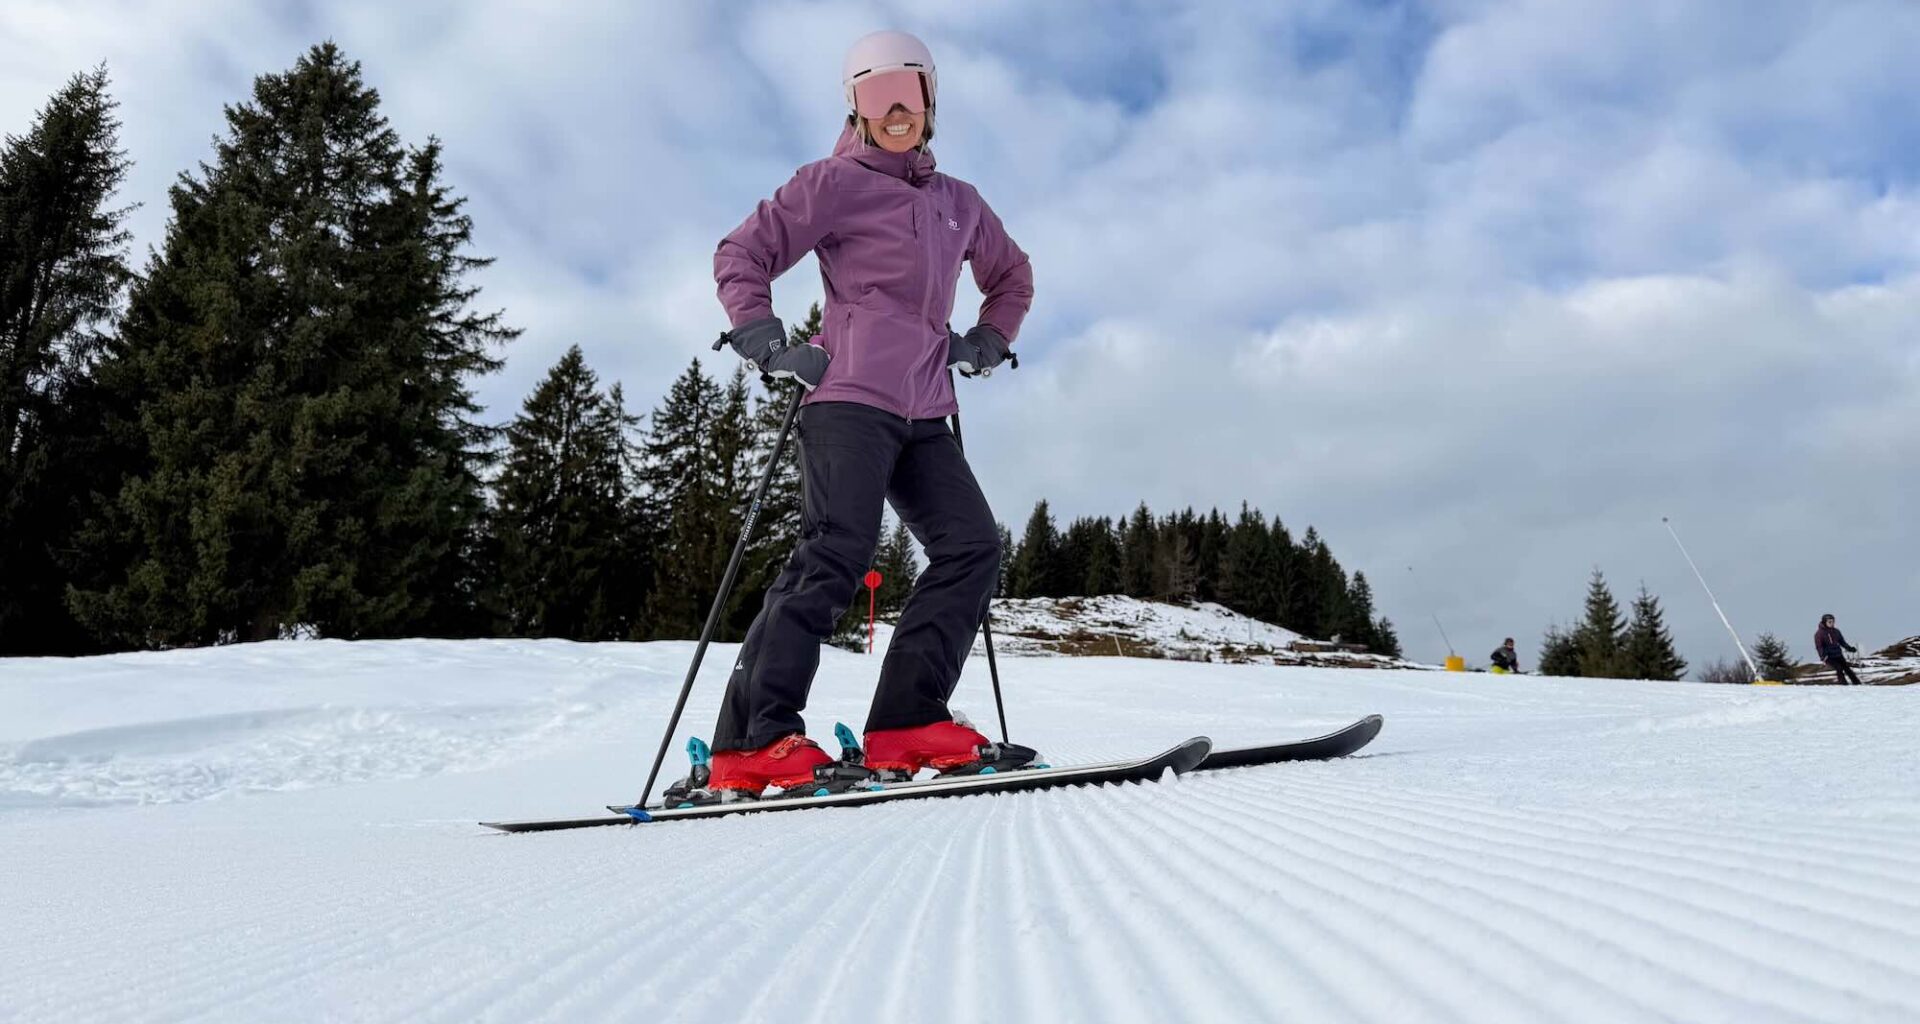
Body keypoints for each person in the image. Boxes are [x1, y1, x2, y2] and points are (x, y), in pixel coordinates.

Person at [697, 30, 1036, 797]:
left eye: (907, 96)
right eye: (876, 97)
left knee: (971, 546)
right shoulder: (832, 184)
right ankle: (756, 739)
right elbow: (741, 253)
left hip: (925, 406)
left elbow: (1011, 276)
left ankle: (908, 721)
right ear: (853, 106)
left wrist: (987, 339)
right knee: (835, 553)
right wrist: (763, 336)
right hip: (847, 397)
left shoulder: (960, 204)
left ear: (929, 102)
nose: (894, 112)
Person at [1814, 613, 1863, 686]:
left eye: (1833, 621)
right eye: (1829, 622)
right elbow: (1819, 646)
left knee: (1847, 668)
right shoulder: (1819, 634)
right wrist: (1823, 656)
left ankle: (1857, 683)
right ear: (1825, 622)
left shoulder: (1836, 631)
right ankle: (1843, 685)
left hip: (1838, 654)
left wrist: (1849, 648)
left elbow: (1842, 642)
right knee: (1839, 668)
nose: (1832, 623)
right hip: (1828, 656)